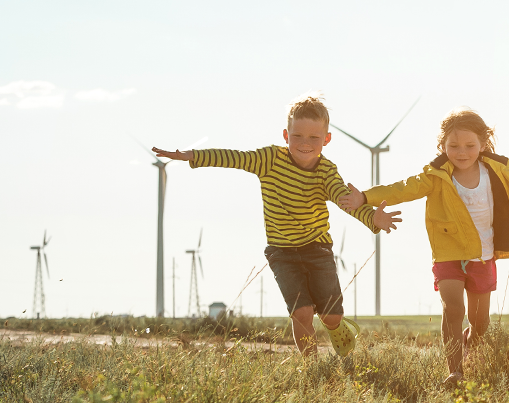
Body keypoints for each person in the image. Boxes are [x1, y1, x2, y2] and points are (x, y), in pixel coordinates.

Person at [338, 108, 509, 386]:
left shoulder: (499, 173)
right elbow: (402, 188)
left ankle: (469, 343)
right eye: (453, 146)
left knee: (480, 324)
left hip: (483, 256)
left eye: (469, 146)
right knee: (453, 309)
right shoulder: (436, 177)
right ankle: (455, 371)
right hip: (448, 254)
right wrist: (365, 196)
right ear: (442, 146)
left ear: (483, 145)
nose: (461, 152)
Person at [152, 93, 401, 356]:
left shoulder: (326, 171)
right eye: (297, 136)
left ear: (326, 139)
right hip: (282, 252)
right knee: (301, 312)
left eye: (314, 138)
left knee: (331, 317)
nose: (305, 143)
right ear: (286, 135)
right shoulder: (269, 159)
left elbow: (344, 199)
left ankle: (338, 327)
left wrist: (372, 217)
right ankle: (311, 366)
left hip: (317, 250)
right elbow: (233, 158)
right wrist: (193, 156)